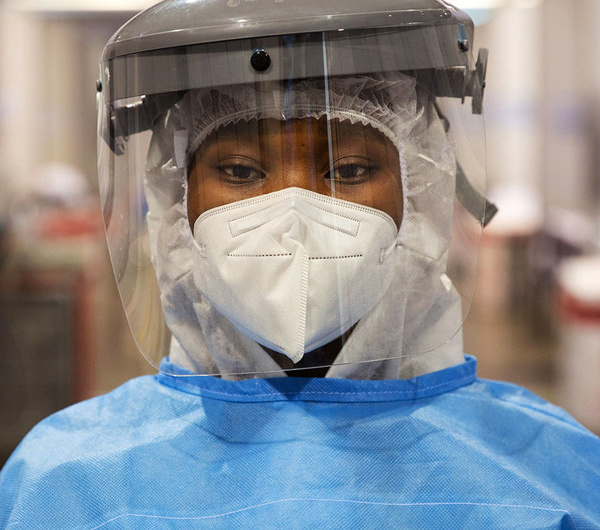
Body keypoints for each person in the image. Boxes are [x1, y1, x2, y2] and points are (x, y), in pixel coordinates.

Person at [1, 0, 600, 527]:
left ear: (420, 192)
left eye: (349, 170)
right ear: (176, 201)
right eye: (240, 171)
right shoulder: (65, 485)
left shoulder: (552, 480)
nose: (292, 218)